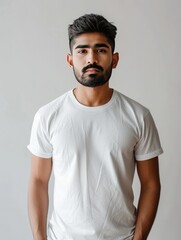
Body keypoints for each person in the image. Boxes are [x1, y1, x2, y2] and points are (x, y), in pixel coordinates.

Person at [27, 13, 163, 240]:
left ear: (115, 59)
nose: (92, 58)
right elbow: (38, 181)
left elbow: (151, 185)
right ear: (70, 59)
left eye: (101, 50)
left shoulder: (138, 116)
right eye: (82, 51)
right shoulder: (48, 116)